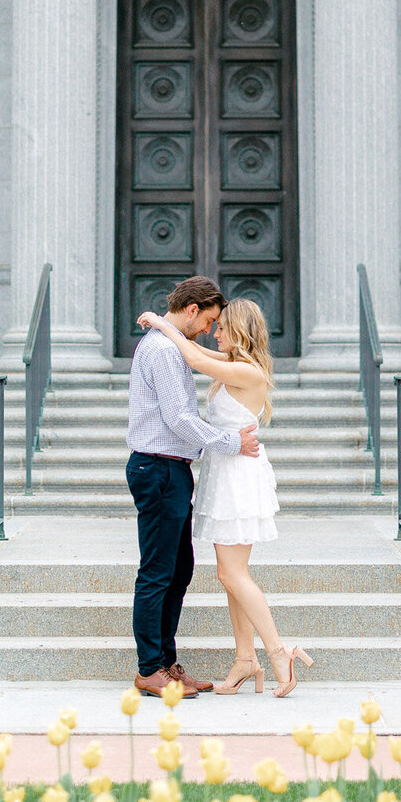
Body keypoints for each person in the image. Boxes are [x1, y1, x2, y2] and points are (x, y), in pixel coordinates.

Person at [137, 296, 314, 699]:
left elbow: (196, 360)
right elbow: (197, 353)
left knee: (232, 573)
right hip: (226, 471)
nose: (214, 332)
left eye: (221, 326)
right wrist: (172, 330)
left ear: (238, 331)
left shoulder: (246, 371)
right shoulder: (233, 367)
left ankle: (278, 651)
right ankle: (244, 658)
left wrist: (164, 326)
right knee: (229, 574)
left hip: (238, 476)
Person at [125, 276, 259, 698]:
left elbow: (198, 367)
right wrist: (230, 442)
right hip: (158, 468)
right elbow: (179, 419)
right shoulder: (164, 350)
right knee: (159, 571)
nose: (208, 329)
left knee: (178, 570)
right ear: (192, 308)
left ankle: (166, 663)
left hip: (170, 469)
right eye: (210, 320)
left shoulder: (169, 344)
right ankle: (151, 669)